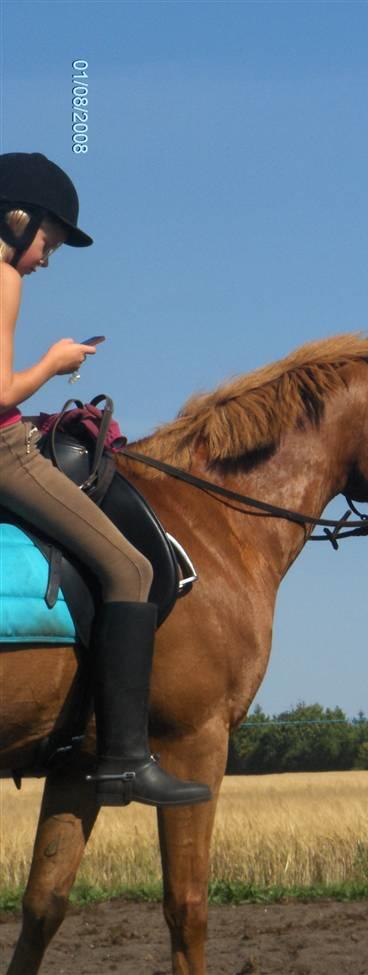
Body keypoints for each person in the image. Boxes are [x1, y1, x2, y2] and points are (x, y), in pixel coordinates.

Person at [0, 152, 211, 808]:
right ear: (17, 218)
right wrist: (55, 362)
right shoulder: (4, 278)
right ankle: (122, 758)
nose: (45, 258)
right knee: (132, 570)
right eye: (47, 242)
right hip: (5, 452)